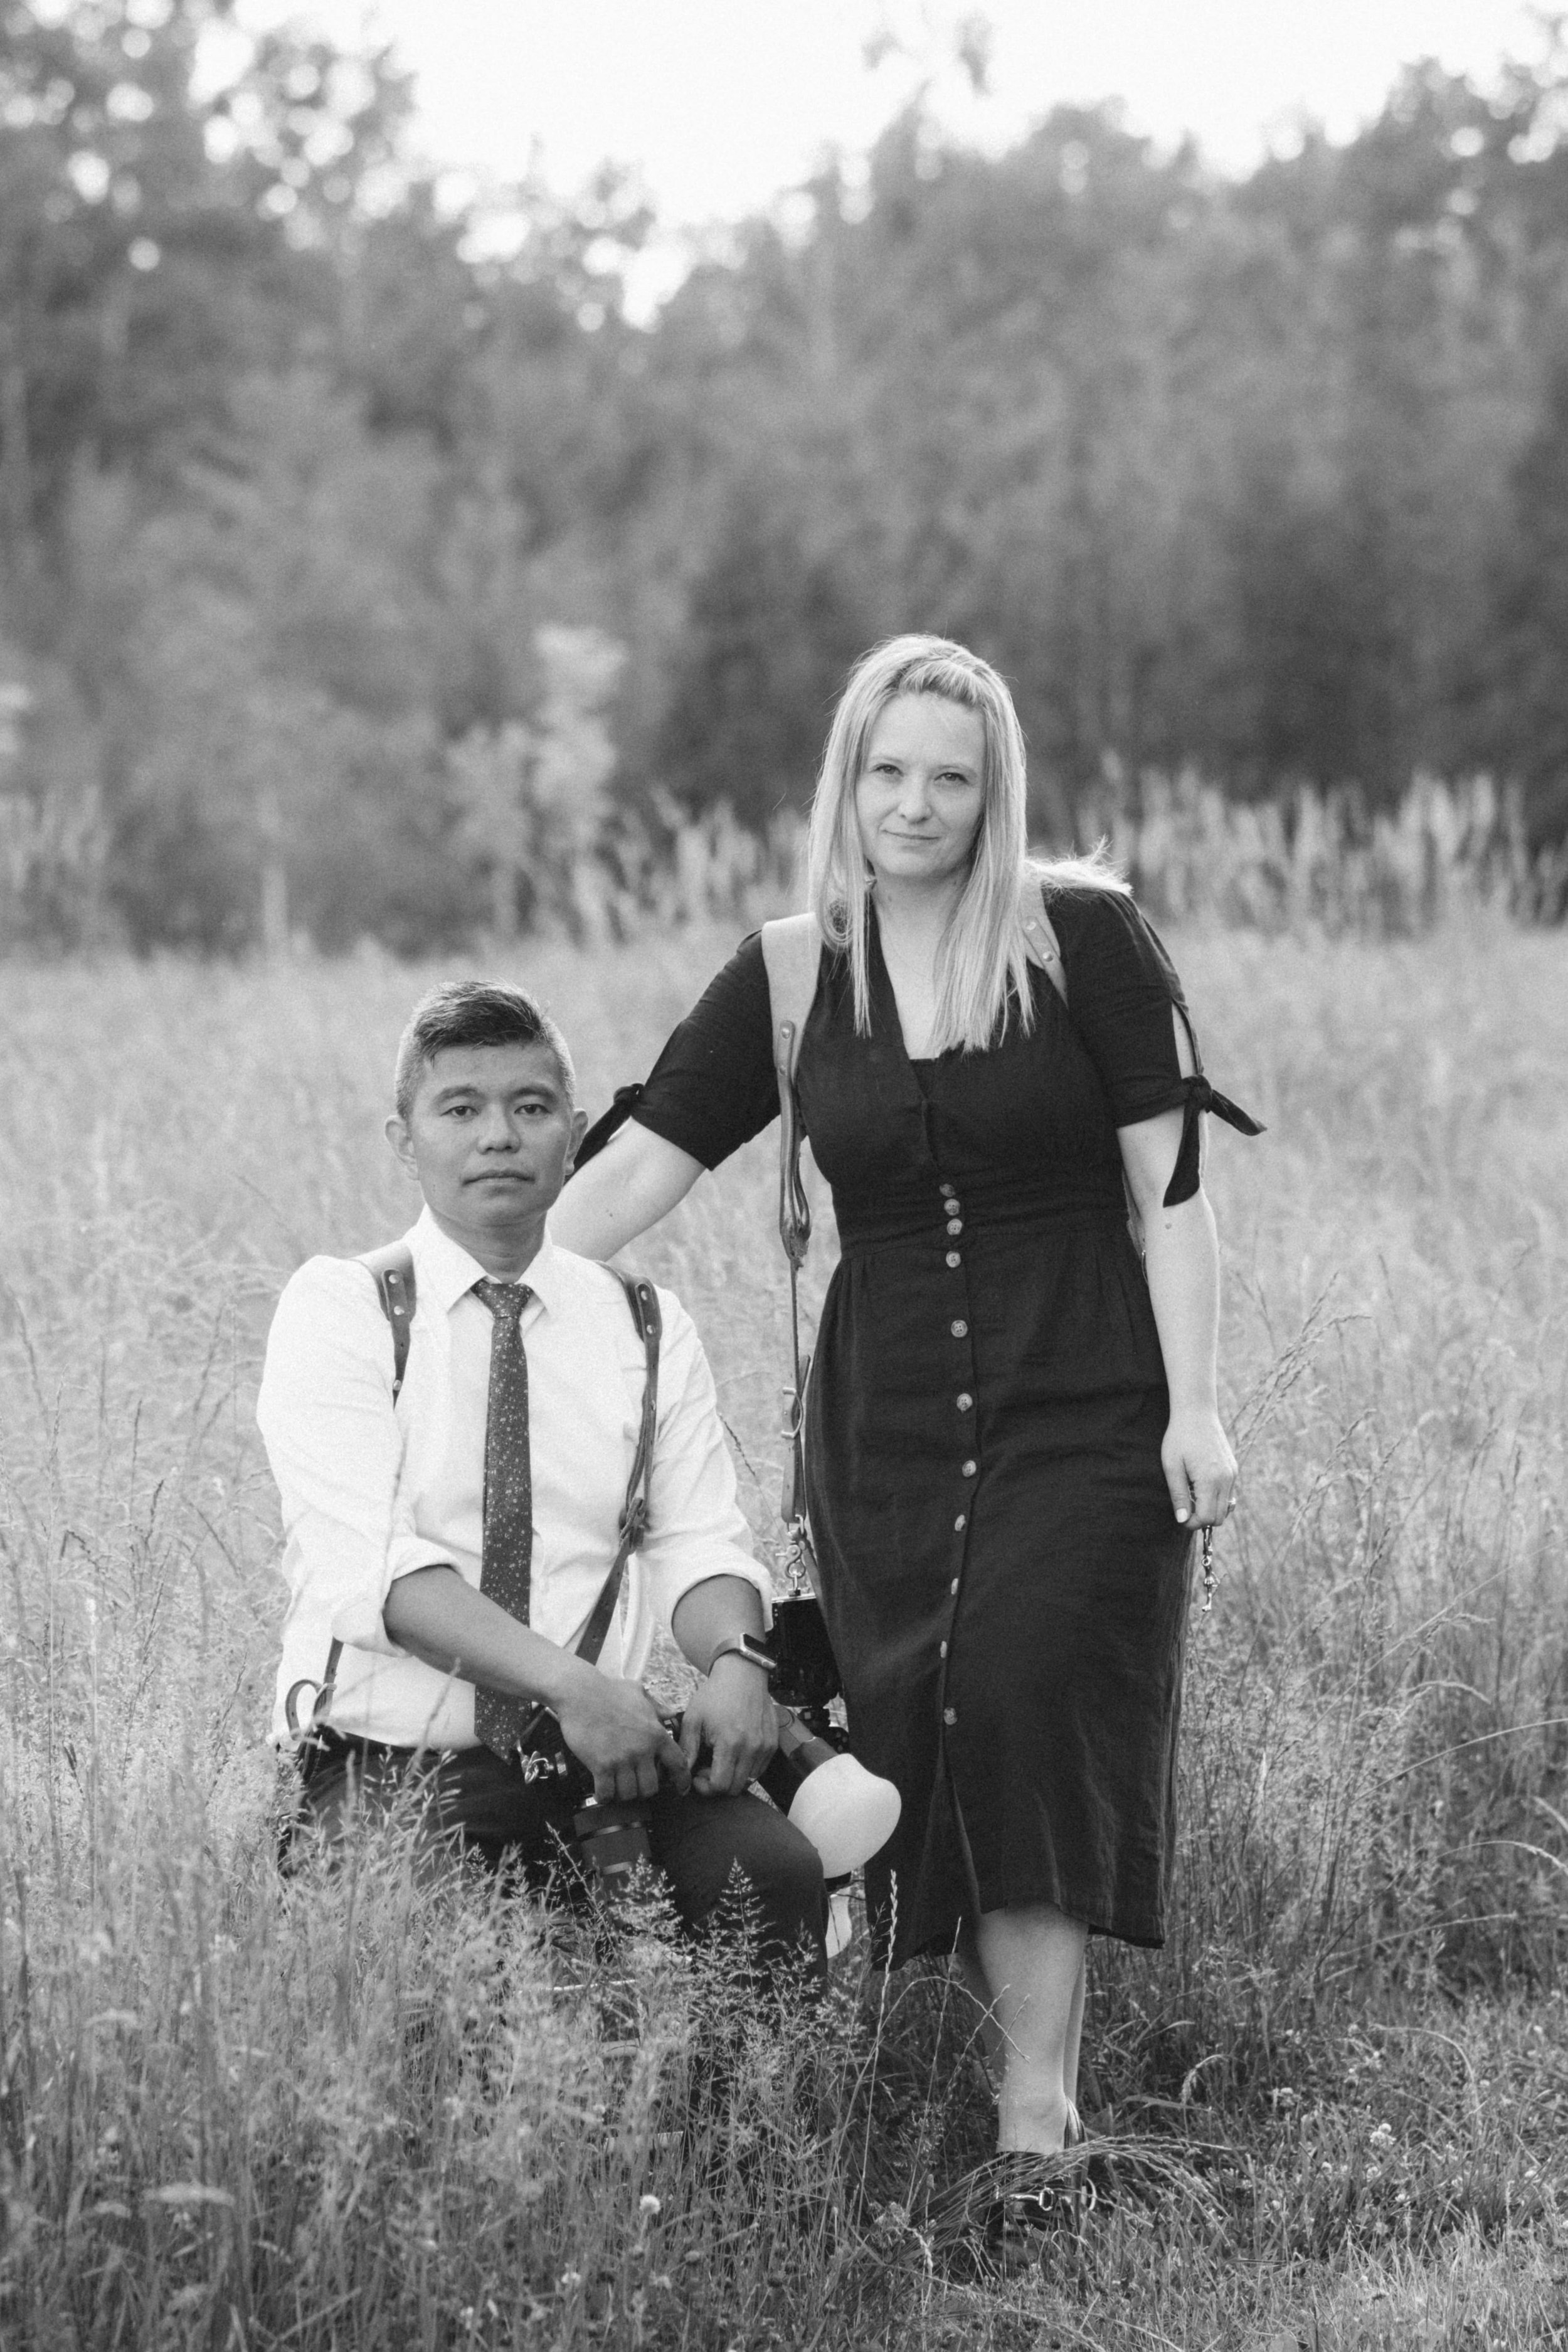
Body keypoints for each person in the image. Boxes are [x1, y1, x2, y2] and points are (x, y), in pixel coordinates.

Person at [549, 634, 1261, 2167]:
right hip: (885, 1436)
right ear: (844, 783)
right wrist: (462, 1285)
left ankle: (1033, 2133)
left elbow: (1173, 1188)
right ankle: (939, 2100)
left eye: (950, 777)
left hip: (1085, 1403)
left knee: (1020, 1710)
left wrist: (1194, 1407)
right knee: (928, 1737)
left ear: (995, 792)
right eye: (886, 772)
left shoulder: (1081, 939)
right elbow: (645, 1163)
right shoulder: (790, 970)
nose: (915, 804)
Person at [258, 979, 825, 1978]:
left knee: (769, 1874)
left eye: (531, 1106)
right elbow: (377, 1572)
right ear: (404, 1140)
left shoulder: (646, 1325)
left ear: (574, 1136)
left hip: (601, 1762)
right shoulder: (345, 1309)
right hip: (395, 1768)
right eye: (460, 1108)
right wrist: (572, 1686)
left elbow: (699, 1542)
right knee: (448, 1960)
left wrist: (741, 1663)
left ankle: (731, 2096)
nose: (498, 1136)